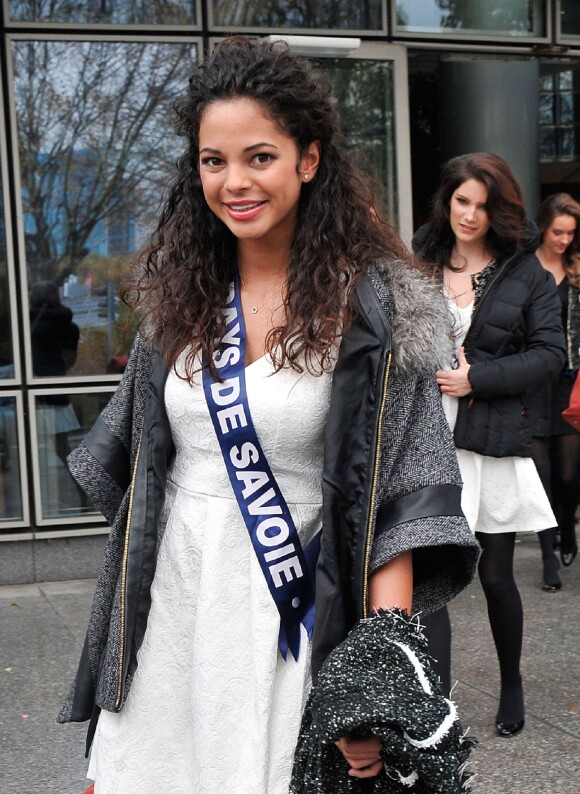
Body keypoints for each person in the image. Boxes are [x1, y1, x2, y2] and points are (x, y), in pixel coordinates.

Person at [58, 38, 480, 793]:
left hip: (295, 617)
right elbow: (135, 467)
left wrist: (372, 680)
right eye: (213, 161)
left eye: (259, 156)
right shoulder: (174, 300)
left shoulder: (383, 310)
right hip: (172, 606)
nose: (233, 182)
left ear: (308, 160)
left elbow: (404, 506)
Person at [413, 152, 566, 738]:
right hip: (425, 437)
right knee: (429, 579)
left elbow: (551, 355)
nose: (469, 215)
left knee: (497, 575)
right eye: (461, 201)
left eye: (482, 204)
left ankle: (511, 683)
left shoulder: (526, 272)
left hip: (488, 437)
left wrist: (478, 378)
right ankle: (439, 705)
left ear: (499, 209)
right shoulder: (420, 254)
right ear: (447, 199)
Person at [529, 193, 580, 589]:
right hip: (533, 383)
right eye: (557, 231)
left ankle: (568, 528)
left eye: (570, 233)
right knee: (541, 474)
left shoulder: (578, 269)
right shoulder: (525, 269)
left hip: (568, 381)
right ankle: (547, 558)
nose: (563, 239)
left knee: (566, 473)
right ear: (543, 226)